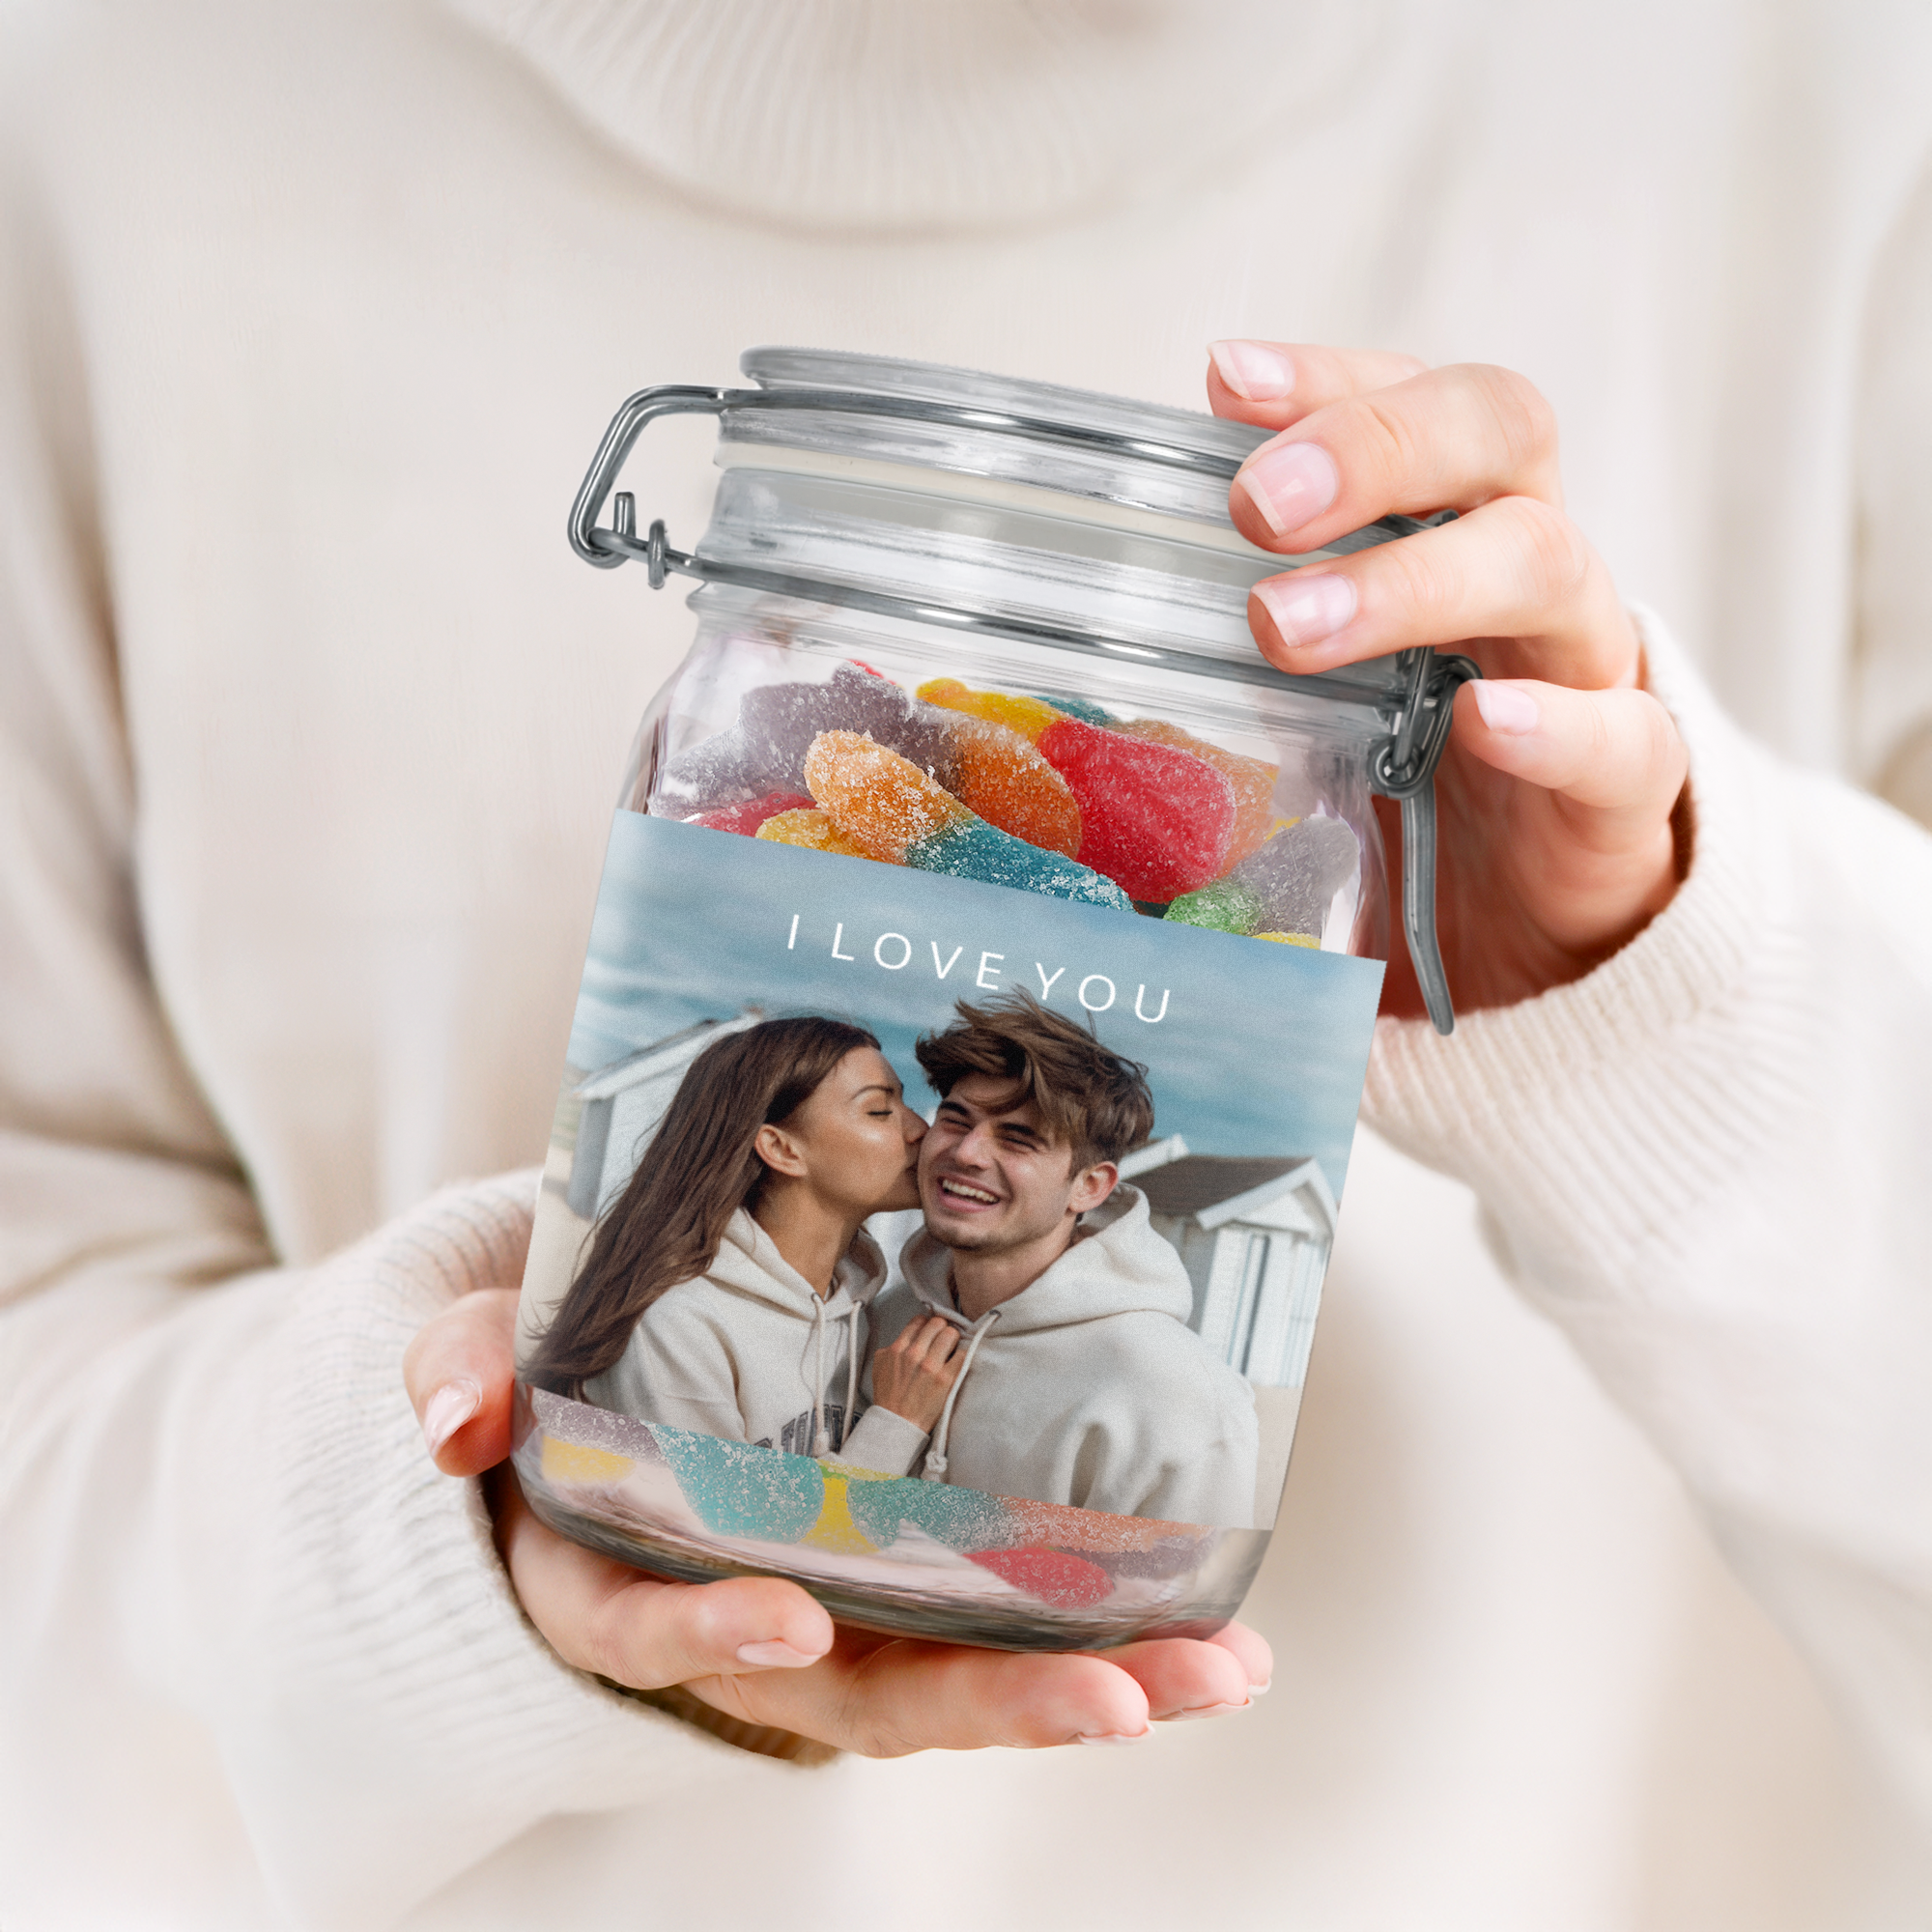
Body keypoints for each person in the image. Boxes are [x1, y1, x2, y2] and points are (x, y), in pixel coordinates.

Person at [5, 5, 1931, 1926]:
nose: (946, 1143)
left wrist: (1659, 997)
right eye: (931, 1098)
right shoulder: (95, 121)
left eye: (986, 1117)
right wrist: (408, 1534)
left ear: (1106, 1180)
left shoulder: (1826, 92)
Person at [866, 996, 1260, 1527]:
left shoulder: (1177, 1396)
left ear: (1089, 1187)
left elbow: (1169, 1605)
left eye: (1018, 1138)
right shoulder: (885, 1321)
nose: (967, 1153)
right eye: (956, 1120)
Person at [527, 1014, 962, 1468]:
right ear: (781, 1149)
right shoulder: (676, 1327)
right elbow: (711, 1538)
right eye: (879, 1110)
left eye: (906, 1103)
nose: (919, 1130)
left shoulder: (869, 1319)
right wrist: (895, 1426)